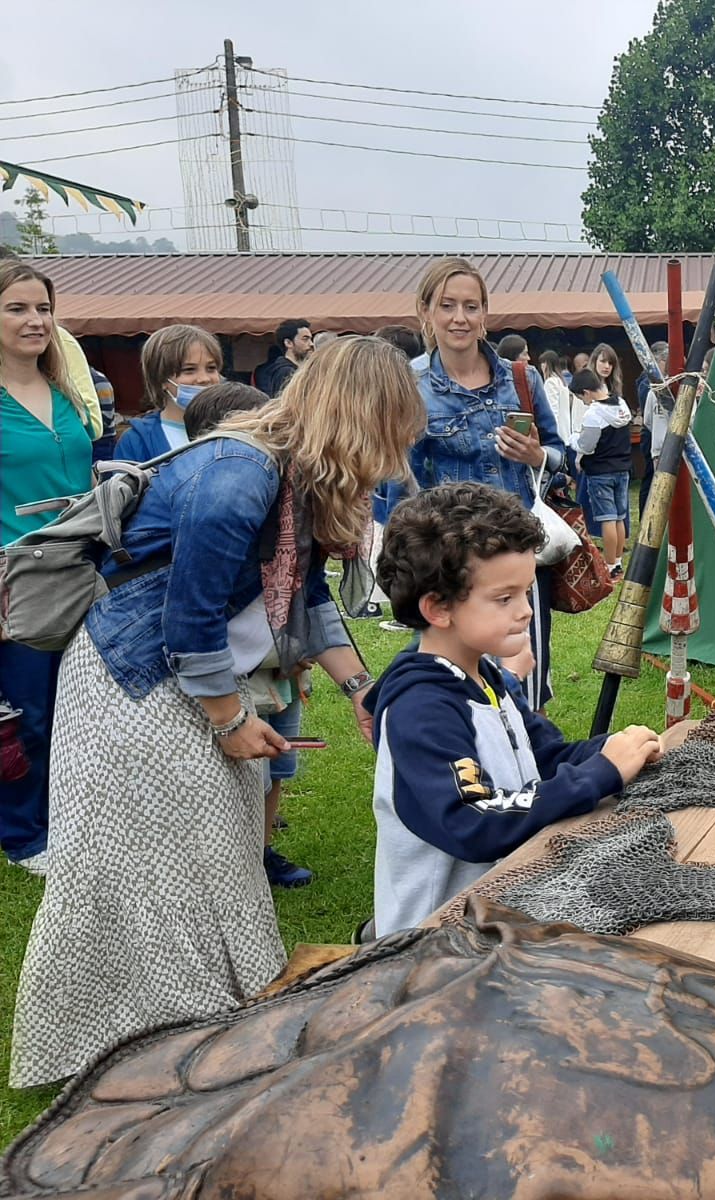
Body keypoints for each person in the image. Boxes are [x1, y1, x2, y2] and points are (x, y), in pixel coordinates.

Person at [9, 336, 423, 1087]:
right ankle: (133, 1049)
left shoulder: (292, 472)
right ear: (361, 418)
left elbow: (306, 592)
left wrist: (362, 688)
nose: (394, 456)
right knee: (138, 874)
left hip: (187, 684)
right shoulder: (238, 474)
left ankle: (216, 1028)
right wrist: (232, 724)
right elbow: (189, 618)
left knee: (220, 858)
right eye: (393, 432)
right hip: (129, 685)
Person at [366, 482, 661, 936]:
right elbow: (473, 821)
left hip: (499, 916)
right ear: (438, 608)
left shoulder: (487, 677)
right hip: (436, 942)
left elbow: (546, 759)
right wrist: (598, 774)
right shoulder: (421, 707)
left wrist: (616, 751)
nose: (525, 612)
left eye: (526, 592)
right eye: (504, 599)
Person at [408, 258, 565, 708]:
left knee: (523, 668)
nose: (460, 318)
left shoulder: (522, 378)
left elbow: (561, 457)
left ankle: (529, 762)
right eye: (448, 305)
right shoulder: (411, 385)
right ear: (426, 312)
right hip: (452, 558)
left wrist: (538, 456)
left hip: (519, 557)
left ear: (485, 315)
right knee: (457, 677)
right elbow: (401, 480)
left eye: (471, 306)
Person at [182, 382, 314, 889]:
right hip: (229, 674)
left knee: (276, 761)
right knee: (236, 772)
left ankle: (260, 851)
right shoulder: (220, 499)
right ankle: (229, 864)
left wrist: (299, 650)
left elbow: (299, 589)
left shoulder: (281, 505)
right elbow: (200, 609)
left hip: (276, 664)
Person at [0, 261, 96, 876]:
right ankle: (22, 834)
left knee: (79, 705)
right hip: (16, 577)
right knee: (26, 712)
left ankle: (70, 818)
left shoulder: (69, 390)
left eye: (43, 308)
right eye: (17, 308)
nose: (35, 320)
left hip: (83, 567)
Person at [115, 324, 224, 460]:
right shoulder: (137, 441)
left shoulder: (235, 430)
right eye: (189, 370)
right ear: (161, 379)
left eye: (211, 368)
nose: (204, 379)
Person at [573, 367, 632, 576]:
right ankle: (617, 562)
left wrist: (574, 440)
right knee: (619, 517)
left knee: (607, 518)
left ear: (586, 392)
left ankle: (608, 567)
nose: (583, 402)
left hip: (600, 472)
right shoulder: (622, 404)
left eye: (581, 398)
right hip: (622, 469)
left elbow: (586, 446)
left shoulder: (594, 414)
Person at [638, 340, 670, 526]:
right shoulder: (648, 384)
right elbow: (647, 418)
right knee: (652, 482)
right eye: (665, 359)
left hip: (656, 439)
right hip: (655, 440)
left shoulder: (655, 383)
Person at [255, 318, 313, 397]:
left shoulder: (295, 369)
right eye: (305, 339)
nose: (311, 344)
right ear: (288, 343)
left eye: (311, 339)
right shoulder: (285, 372)